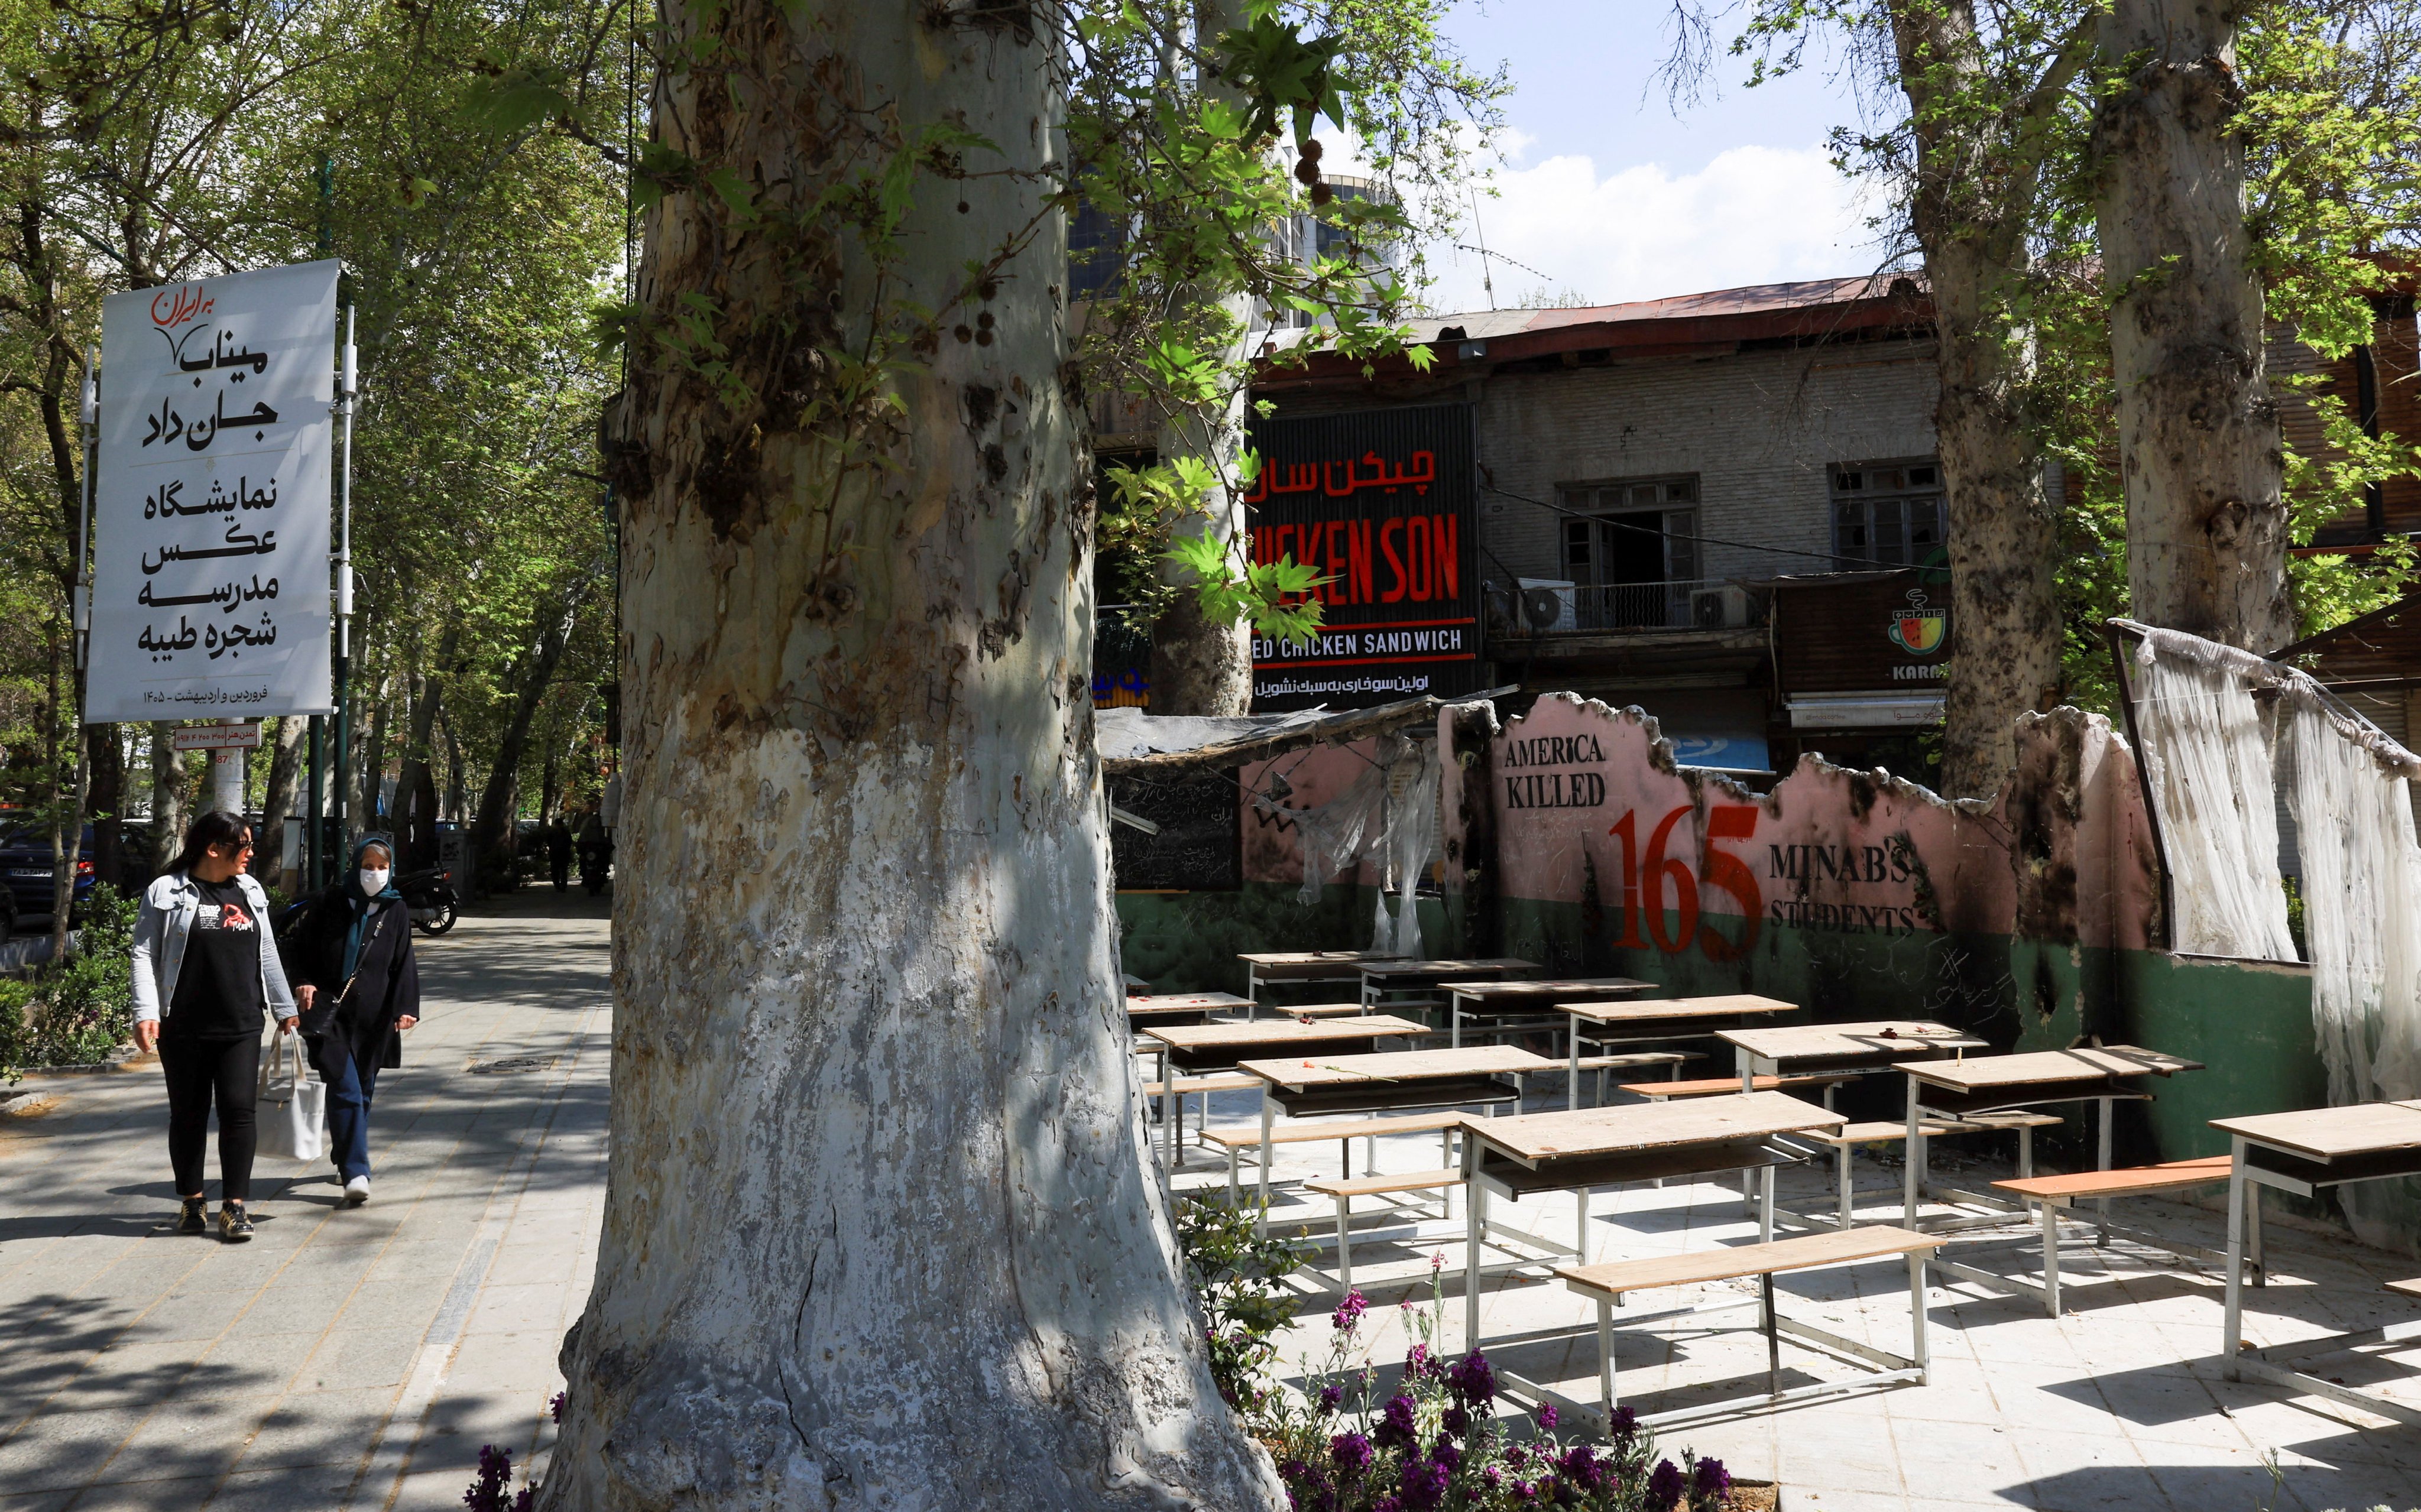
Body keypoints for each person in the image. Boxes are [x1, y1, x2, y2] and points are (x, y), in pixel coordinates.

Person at [131, 811, 299, 1242]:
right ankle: (192, 1201)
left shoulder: (251, 890)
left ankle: (235, 1206)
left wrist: (283, 1007)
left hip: (241, 1021)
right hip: (182, 1024)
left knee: (239, 1112)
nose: (251, 852)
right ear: (214, 849)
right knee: (187, 1115)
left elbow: (266, 952)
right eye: (244, 844)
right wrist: (145, 1012)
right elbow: (143, 955)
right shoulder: (166, 891)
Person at [278, 835, 422, 1205]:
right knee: (345, 1089)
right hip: (330, 1011)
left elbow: (403, 961)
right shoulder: (330, 902)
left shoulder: (395, 909)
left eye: (381, 867)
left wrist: (406, 1007)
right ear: (355, 866)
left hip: (375, 1015)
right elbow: (299, 948)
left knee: (365, 1090)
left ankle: (345, 1152)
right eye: (368, 866)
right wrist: (303, 982)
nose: (374, 874)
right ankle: (356, 1171)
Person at [546, 816, 572, 892]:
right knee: (556, 871)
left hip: (562, 853)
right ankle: (558, 885)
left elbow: (569, 842)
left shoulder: (565, 832)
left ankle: (562, 886)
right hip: (556, 853)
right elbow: (549, 842)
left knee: (562, 870)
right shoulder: (553, 832)